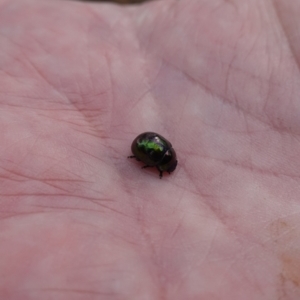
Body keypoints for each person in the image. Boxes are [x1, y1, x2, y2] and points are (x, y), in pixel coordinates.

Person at [0, 0, 299, 299]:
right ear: (166, 164)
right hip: (140, 144)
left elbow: (154, 149)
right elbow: (152, 151)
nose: (166, 169)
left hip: (142, 144)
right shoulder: (159, 161)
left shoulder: (164, 158)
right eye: (166, 168)